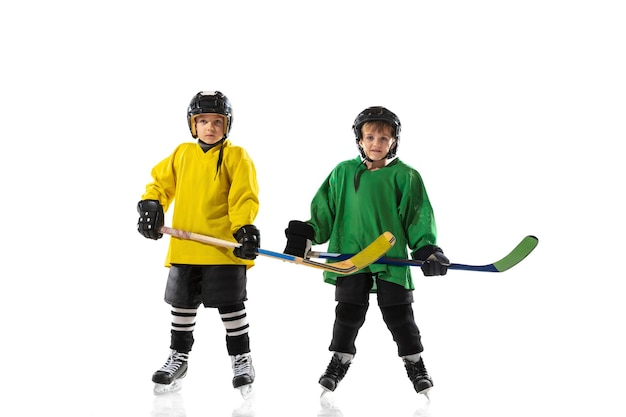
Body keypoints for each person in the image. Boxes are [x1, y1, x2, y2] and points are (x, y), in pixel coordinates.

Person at [283, 106, 449, 396]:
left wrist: (427, 249)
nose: (376, 144)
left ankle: (416, 364)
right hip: (351, 258)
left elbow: (417, 215)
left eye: (383, 139)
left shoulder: (406, 176)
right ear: (359, 140)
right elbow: (325, 211)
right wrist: (306, 235)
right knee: (347, 314)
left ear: (394, 141)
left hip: (391, 260)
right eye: (370, 137)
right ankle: (339, 360)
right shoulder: (343, 172)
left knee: (400, 316)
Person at [137, 91, 260, 395]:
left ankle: (241, 359)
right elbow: (159, 183)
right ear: (193, 125)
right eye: (202, 121)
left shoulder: (236, 156)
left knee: (231, 307)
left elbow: (243, 196)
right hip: (185, 248)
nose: (209, 127)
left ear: (226, 124)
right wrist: (151, 204)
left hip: (223, 249)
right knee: (182, 307)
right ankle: (178, 357)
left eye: (216, 121)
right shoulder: (182, 154)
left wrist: (244, 228)